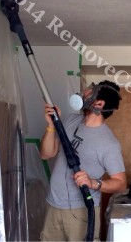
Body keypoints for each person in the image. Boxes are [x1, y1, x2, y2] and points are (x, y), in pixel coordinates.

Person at [40, 80, 126, 241]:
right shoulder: (70, 121)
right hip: (53, 205)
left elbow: (120, 183)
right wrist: (51, 125)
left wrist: (94, 183)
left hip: (81, 212)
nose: (83, 93)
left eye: (89, 92)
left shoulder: (108, 143)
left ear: (99, 104)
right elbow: (46, 154)